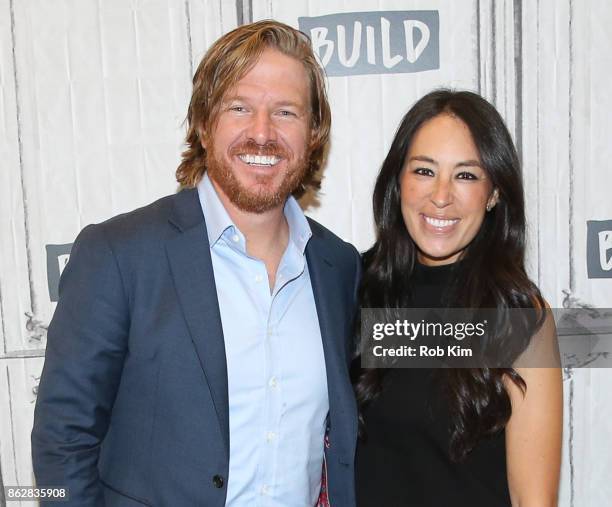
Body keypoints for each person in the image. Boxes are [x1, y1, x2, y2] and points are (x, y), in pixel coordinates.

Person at [32, 20, 360, 507]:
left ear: (314, 133)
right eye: (240, 107)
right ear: (205, 123)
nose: (263, 133)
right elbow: (62, 444)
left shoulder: (339, 266)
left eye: (286, 112)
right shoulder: (119, 255)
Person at [354, 90, 562, 506]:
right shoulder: (353, 288)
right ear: (399, 181)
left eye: (466, 175)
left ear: (494, 194)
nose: (442, 195)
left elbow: (532, 500)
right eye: (424, 171)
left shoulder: (515, 314)